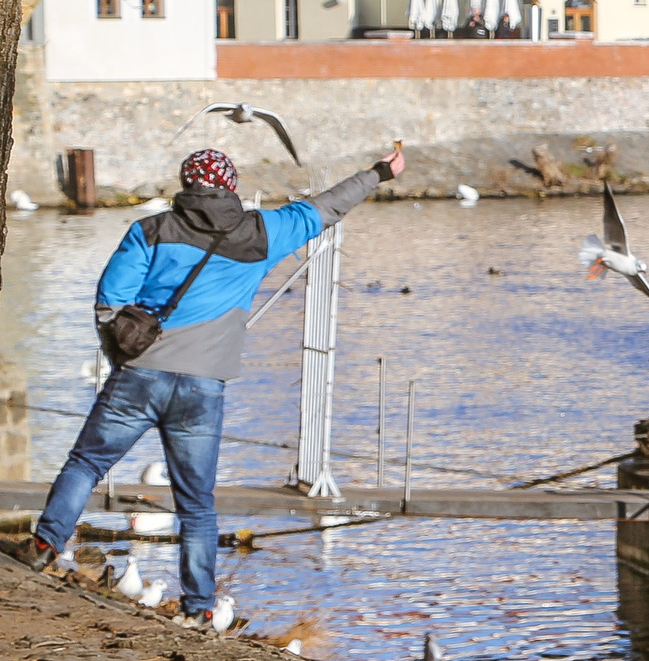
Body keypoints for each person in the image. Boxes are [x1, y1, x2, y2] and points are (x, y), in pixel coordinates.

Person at [10, 143, 403, 625]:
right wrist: (379, 172)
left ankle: (45, 546)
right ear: (231, 185)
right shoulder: (262, 233)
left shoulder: (149, 231)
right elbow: (326, 206)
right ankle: (196, 609)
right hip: (202, 389)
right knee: (196, 504)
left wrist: (124, 358)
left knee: (87, 462)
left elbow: (109, 303)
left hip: (139, 376)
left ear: (186, 183)